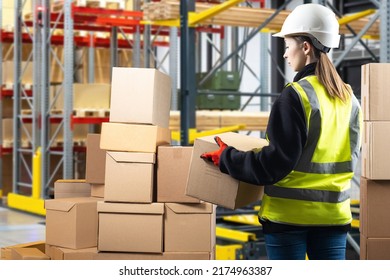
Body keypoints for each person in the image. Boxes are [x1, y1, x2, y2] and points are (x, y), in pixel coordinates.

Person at [200, 3, 362, 260]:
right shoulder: (349, 99)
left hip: (288, 219)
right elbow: (350, 157)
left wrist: (227, 158)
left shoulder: (296, 96)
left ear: (306, 47)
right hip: (333, 217)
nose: (286, 54)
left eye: (288, 46)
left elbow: (274, 164)